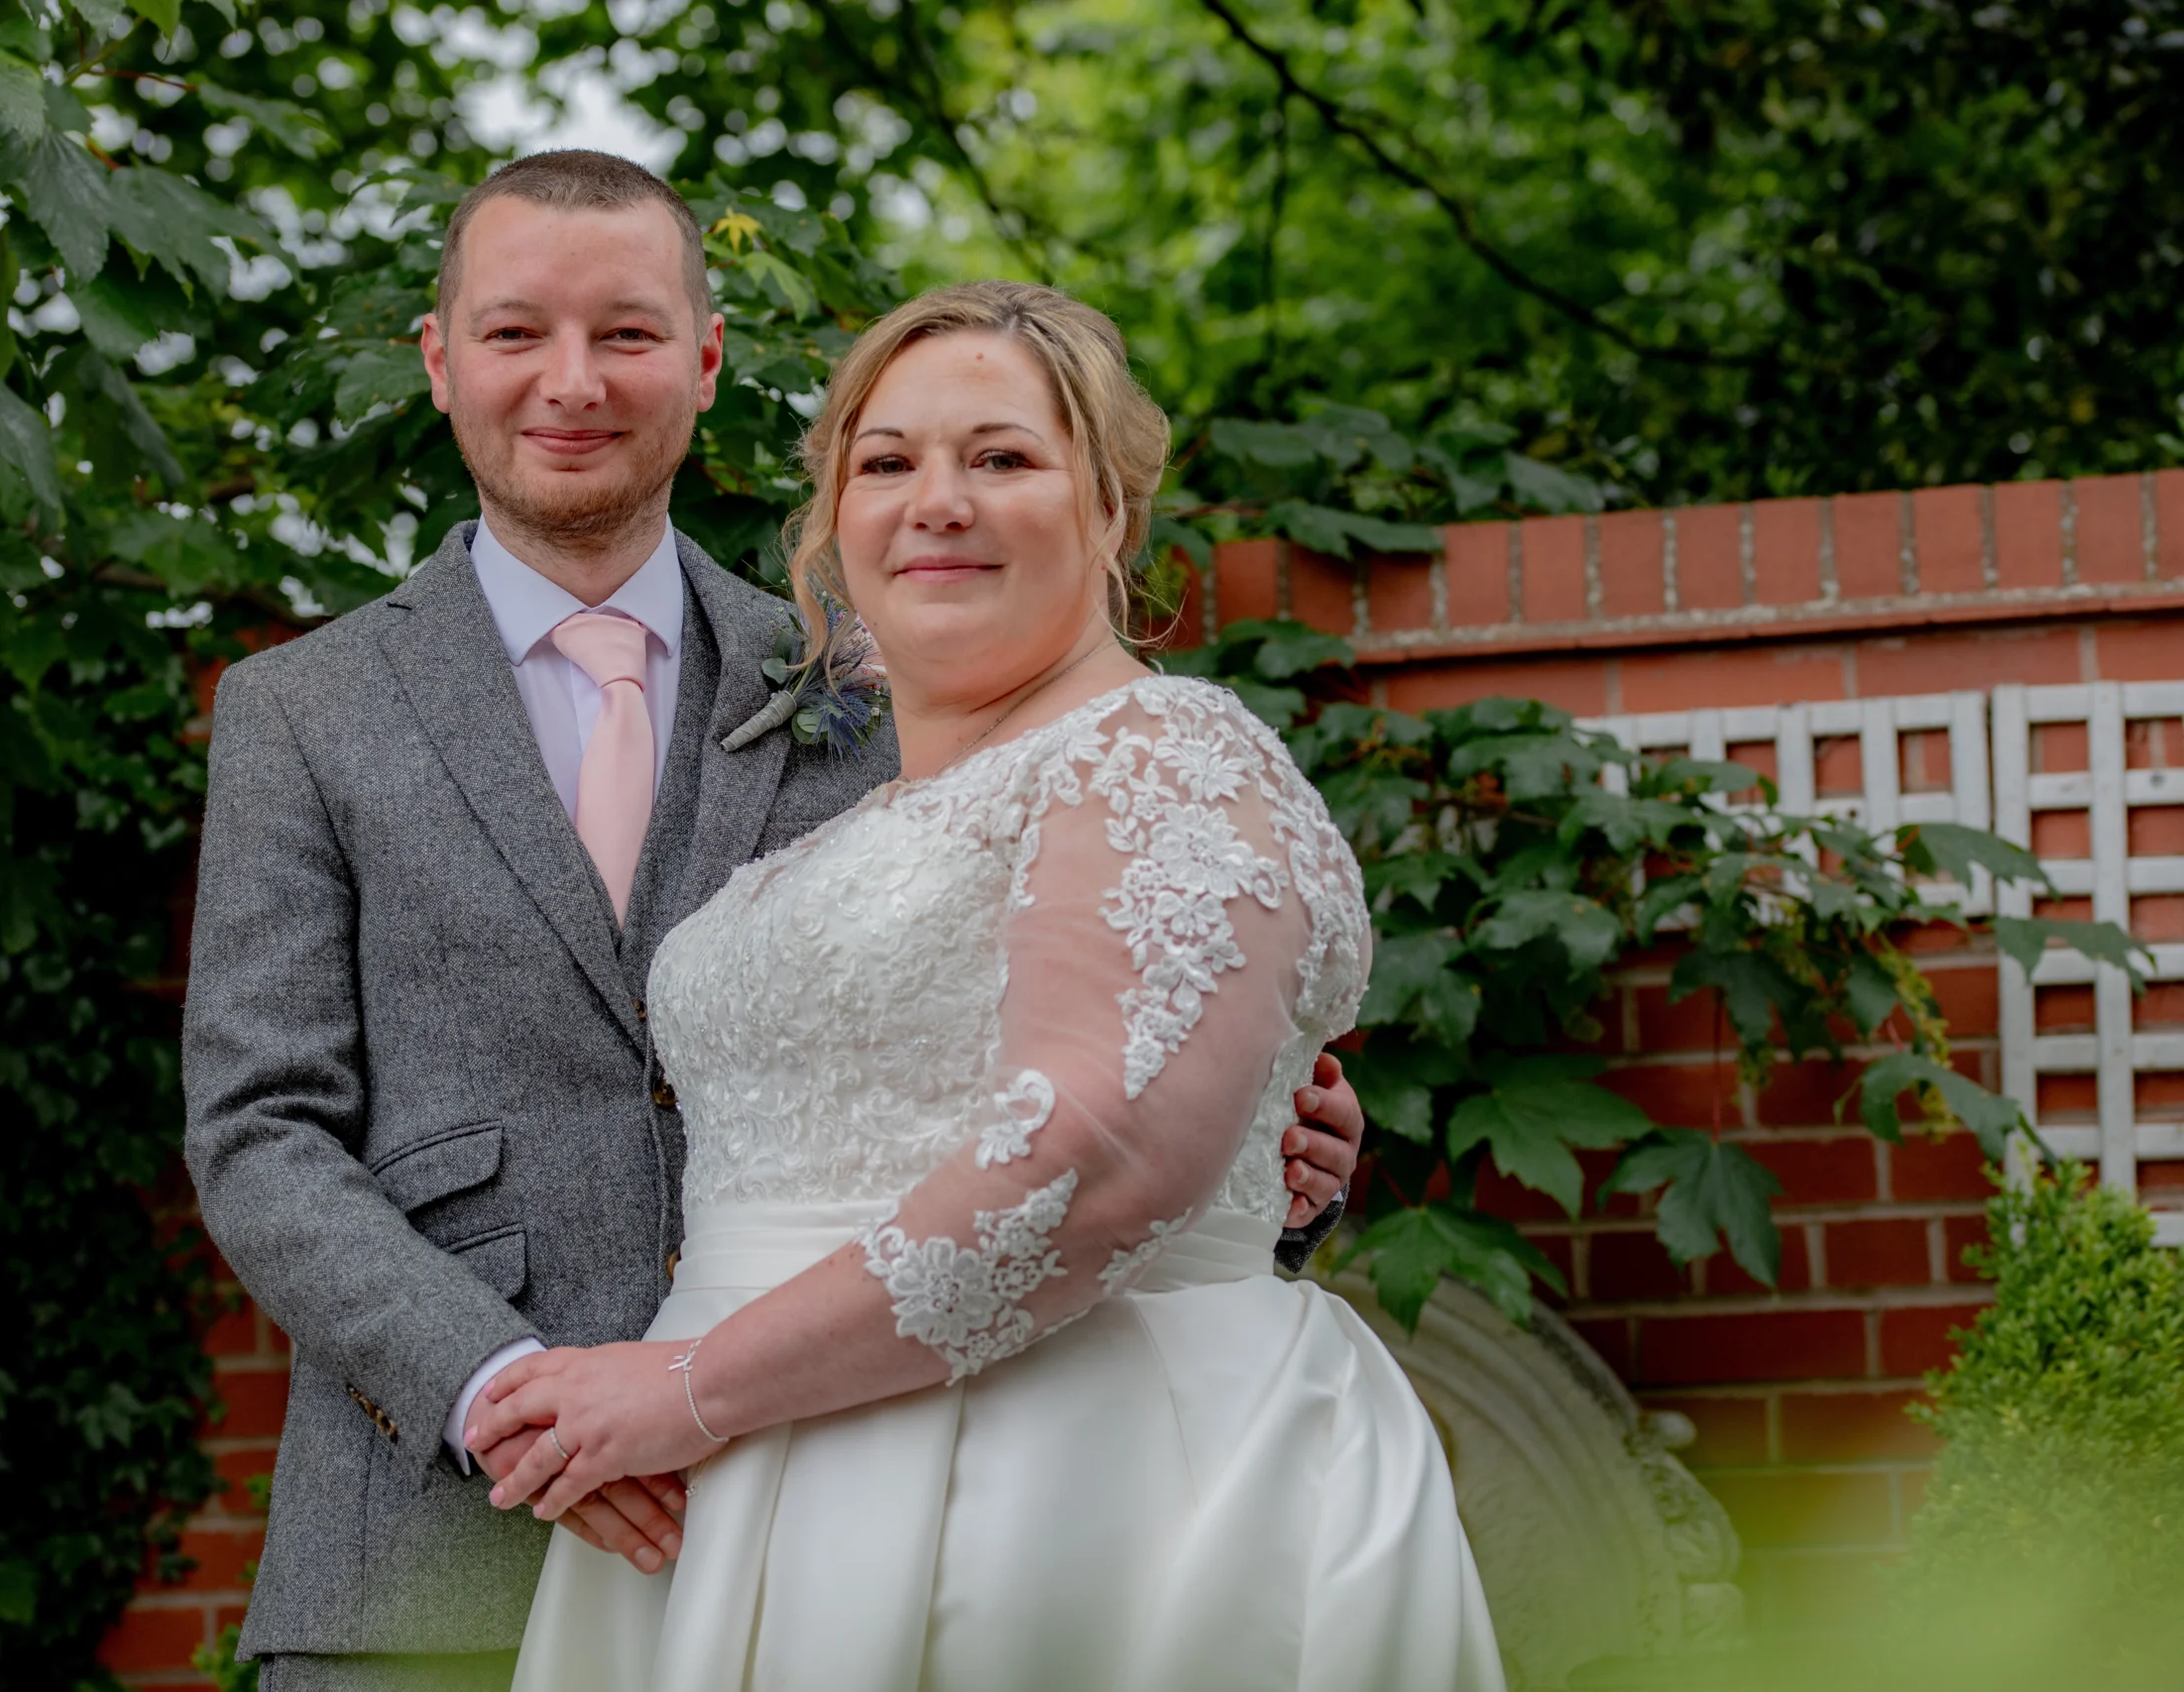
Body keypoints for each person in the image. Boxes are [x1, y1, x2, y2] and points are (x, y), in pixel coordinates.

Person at [181, 152, 1368, 1692]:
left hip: (872, 1494)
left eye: (625, 332)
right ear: (439, 359)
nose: (572, 382)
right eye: (515, 332)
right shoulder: (303, 709)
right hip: (424, 1546)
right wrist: (504, 1392)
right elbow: (262, 1127)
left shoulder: (890, 667)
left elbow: (1088, 1045)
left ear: (706, 357)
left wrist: (1265, 1144)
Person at [477, 280, 1504, 1692]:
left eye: (1003, 457)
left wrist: (688, 1387)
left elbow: (1097, 1160)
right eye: (886, 461)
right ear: (831, 523)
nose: (936, 500)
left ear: (1110, 513)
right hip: (733, 1500)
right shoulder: (854, 824)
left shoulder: (1162, 756)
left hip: (1063, 1493)